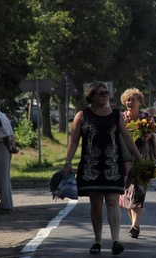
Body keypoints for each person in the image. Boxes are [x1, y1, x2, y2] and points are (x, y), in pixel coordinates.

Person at [63, 81, 140, 255]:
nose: (105, 95)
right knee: (96, 203)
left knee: (113, 201)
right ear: (91, 96)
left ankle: (115, 240)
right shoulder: (82, 116)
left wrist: (139, 157)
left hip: (113, 165)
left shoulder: (115, 114)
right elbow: (74, 141)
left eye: (106, 93)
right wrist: (68, 162)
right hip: (91, 167)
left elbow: (127, 137)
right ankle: (97, 241)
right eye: (101, 93)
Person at [121, 87, 156, 239]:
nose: (129, 102)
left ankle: (135, 225)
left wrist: (149, 137)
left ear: (139, 102)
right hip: (124, 161)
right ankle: (134, 223)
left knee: (139, 193)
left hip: (143, 159)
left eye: (133, 99)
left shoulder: (146, 117)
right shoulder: (121, 118)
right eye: (127, 99)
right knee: (127, 195)